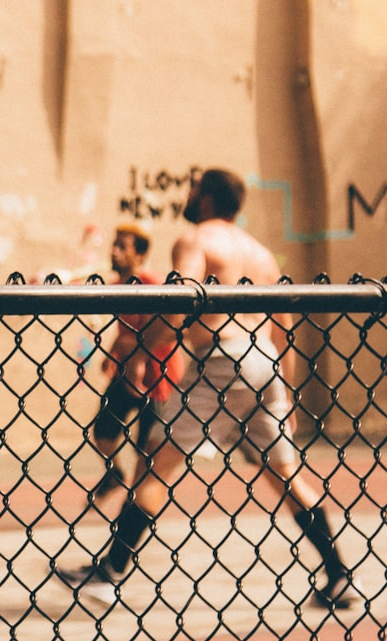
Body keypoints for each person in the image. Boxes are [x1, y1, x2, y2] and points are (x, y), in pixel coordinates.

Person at [54, 168, 362, 610]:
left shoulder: (196, 240)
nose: (189, 196)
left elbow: (181, 303)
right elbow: (283, 325)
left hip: (220, 359)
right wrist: (287, 391)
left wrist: (143, 348)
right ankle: (339, 574)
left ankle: (109, 573)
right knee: (285, 475)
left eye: (194, 191)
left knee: (154, 467)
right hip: (265, 363)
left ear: (209, 199)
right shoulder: (260, 254)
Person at [90, 223, 184, 498]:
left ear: (139, 255)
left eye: (123, 247)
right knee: (102, 431)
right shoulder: (118, 286)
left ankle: (139, 499)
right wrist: (113, 353)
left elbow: (171, 329)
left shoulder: (152, 285)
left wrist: (134, 349)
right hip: (125, 372)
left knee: (147, 446)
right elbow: (125, 330)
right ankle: (115, 474)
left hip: (157, 377)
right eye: (114, 245)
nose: (114, 252)